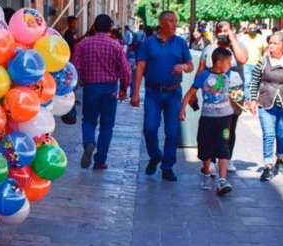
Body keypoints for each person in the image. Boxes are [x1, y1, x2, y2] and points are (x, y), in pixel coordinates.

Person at [131, 11, 193, 181]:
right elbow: (140, 69)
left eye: (175, 21)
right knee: (149, 129)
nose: (174, 24)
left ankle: (167, 167)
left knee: (173, 132)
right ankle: (155, 155)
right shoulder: (148, 44)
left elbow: (190, 65)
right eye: (171, 21)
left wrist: (182, 67)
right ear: (162, 23)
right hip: (153, 93)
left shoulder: (180, 43)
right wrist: (135, 93)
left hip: (173, 93)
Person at [72, 14, 131, 170]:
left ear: (94, 26)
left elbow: (74, 67)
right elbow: (126, 70)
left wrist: (73, 88)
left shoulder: (83, 44)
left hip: (90, 88)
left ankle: (89, 142)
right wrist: (124, 88)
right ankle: (100, 160)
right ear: (110, 27)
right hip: (110, 89)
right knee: (107, 125)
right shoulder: (116, 45)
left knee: (89, 120)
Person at [181, 48, 237, 195]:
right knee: (205, 147)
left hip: (225, 119)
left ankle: (222, 180)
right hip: (208, 118)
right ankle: (206, 173)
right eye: (228, 62)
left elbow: (230, 90)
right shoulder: (204, 75)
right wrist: (182, 109)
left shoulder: (228, 74)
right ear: (219, 63)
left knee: (223, 145)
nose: (230, 65)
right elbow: (190, 93)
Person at [249, 32, 283, 181]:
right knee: (268, 134)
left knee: (281, 133)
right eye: (270, 43)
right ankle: (267, 165)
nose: (271, 46)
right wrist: (253, 100)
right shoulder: (263, 62)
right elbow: (254, 81)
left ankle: (280, 159)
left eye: (275, 43)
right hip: (266, 102)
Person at [196, 20, 248, 173]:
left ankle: (227, 157)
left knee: (229, 128)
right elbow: (200, 70)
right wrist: (194, 91)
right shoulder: (209, 49)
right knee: (212, 127)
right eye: (220, 30)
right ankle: (211, 159)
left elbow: (242, 59)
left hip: (234, 93)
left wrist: (232, 39)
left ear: (232, 31)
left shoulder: (238, 46)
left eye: (226, 30)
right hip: (214, 96)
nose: (222, 33)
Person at [240, 23, 268, 106]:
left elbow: (265, 50)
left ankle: (257, 99)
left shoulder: (261, 38)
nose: (252, 30)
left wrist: (264, 60)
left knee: (258, 83)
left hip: (258, 64)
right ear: (247, 29)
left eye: (254, 28)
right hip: (246, 64)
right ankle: (247, 100)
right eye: (251, 28)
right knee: (247, 83)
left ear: (257, 28)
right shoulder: (243, 38)